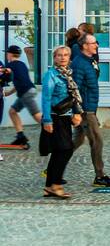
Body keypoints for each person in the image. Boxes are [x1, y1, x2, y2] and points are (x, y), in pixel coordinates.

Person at [71, 33, 110, 187]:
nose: (97, 45)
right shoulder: (79, 64)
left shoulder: (90, 61)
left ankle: (53, 167)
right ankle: (100, 176)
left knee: (77, 140)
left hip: (91, 106)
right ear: (84, 46)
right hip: (85, 109)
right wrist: (78, 111)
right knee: (97, 140)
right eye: (93, 43)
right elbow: (74, 88)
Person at [39, 44, 83, 200]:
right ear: (54, 58)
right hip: (54, 116)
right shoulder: (50, 75)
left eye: (66, 55)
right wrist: (46, 120)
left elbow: (73, 97)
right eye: (59, 55)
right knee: (66, 149)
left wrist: (75, 113)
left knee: (60, 151)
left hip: (65, 116)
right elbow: (46, 98)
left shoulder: (68, 74)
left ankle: (49, 186)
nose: (63, 57)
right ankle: (56, 185)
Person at [3, 45, 42, 147]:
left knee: (37, 116)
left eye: (7, 53)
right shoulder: (22, 64)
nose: (7, 55)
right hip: (28, 91)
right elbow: (20, 82)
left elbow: (6, 72)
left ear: (10, 54)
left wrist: (4, 71)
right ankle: (21, 137)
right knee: (12, 111)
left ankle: (55, 132)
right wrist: (8, 93)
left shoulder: (11, 65)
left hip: (26, 93)